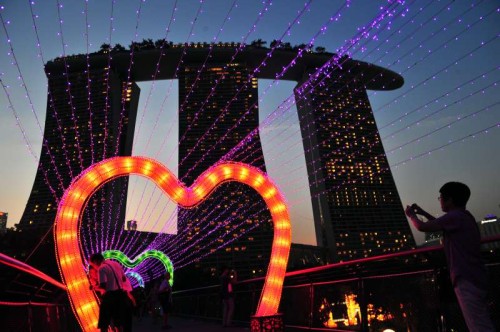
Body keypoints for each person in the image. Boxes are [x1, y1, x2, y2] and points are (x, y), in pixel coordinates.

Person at [405, 182, 495, 332]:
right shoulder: (463, 216)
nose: (439, 200)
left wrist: (412, 215)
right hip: (476, 274)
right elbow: (440, 223)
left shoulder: (455, 217)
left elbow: (423, 227)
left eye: (440, 197)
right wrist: (422, 212)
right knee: (481, 319)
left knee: (478, 325)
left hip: (466, 277)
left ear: (450, 200)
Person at [89, 253, 134, 332]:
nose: (94, 267)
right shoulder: (115, 263)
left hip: (109, 296)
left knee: (104, 323)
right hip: (121, 295)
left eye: (93, 265)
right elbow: (123, 279)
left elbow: (103, 286)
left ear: (96, 261)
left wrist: (94, 287)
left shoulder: (101, 268)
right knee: (118, 322)